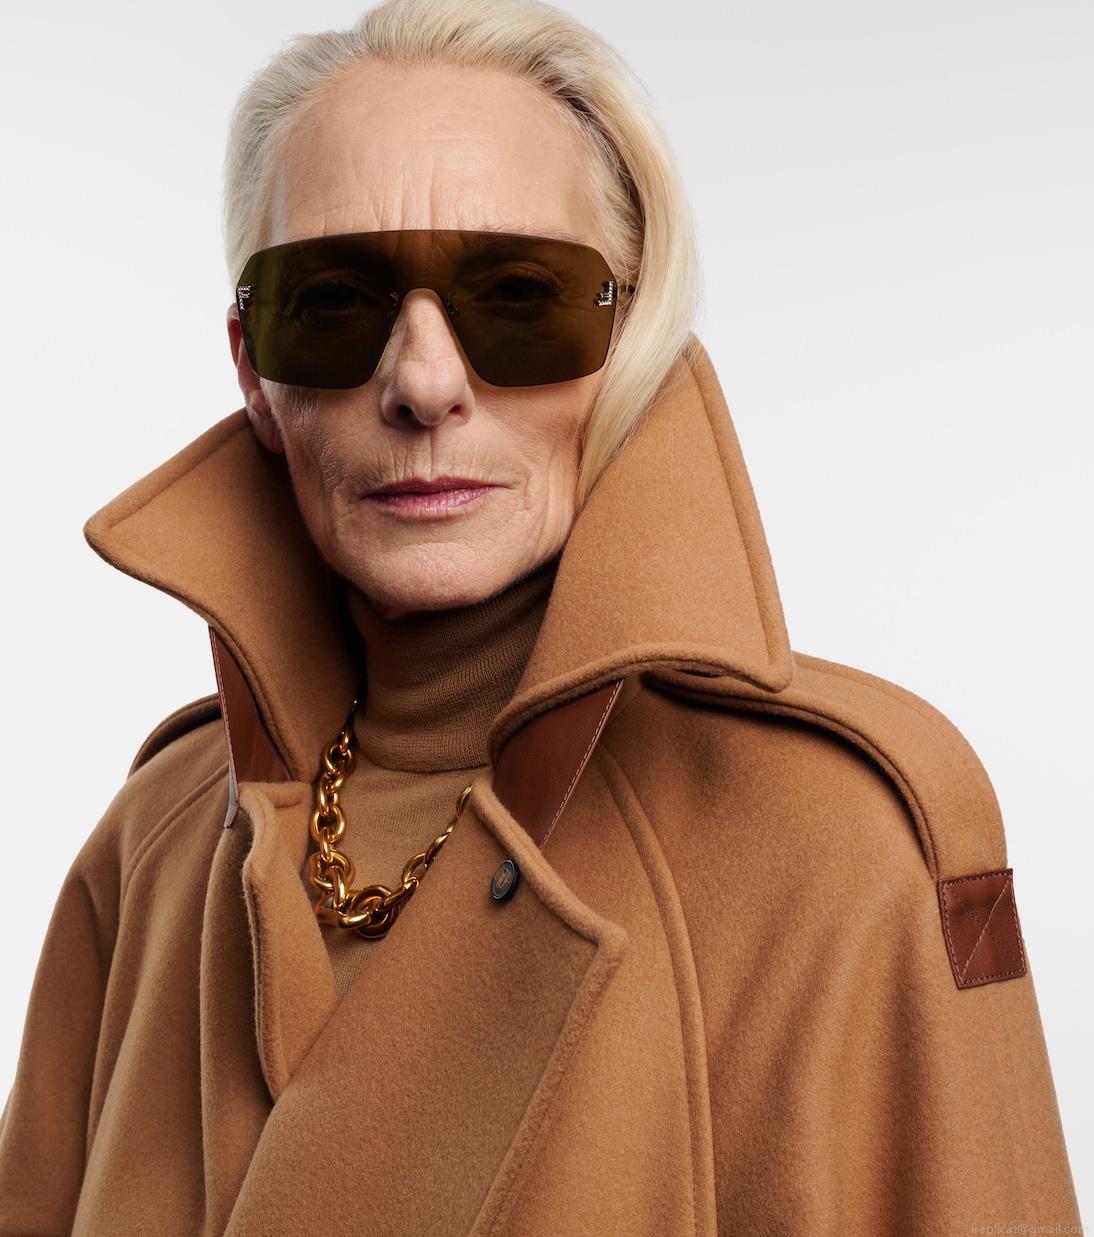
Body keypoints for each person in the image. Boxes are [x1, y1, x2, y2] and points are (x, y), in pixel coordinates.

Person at [0, 0, 1081, 1232]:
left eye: (519, 295)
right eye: (335, 302)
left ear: (626, 343)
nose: (423, 383)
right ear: (254, 368)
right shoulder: (157, 842)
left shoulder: (836, 842)